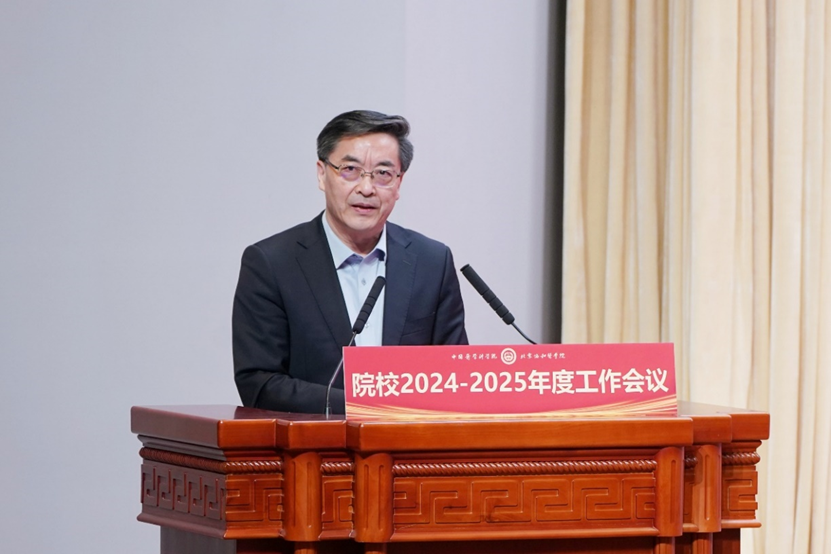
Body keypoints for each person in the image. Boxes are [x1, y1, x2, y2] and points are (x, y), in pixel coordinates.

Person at [232, 110, 468, 414]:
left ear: (399, 183)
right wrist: (366, 407)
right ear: (322, 174)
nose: (366, 188)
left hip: (410, 443)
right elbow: (259, 384)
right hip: (315, 442)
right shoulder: (272, 263)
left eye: (383, 174)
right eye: (350, 170)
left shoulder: (431, 261)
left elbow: (454, 377)